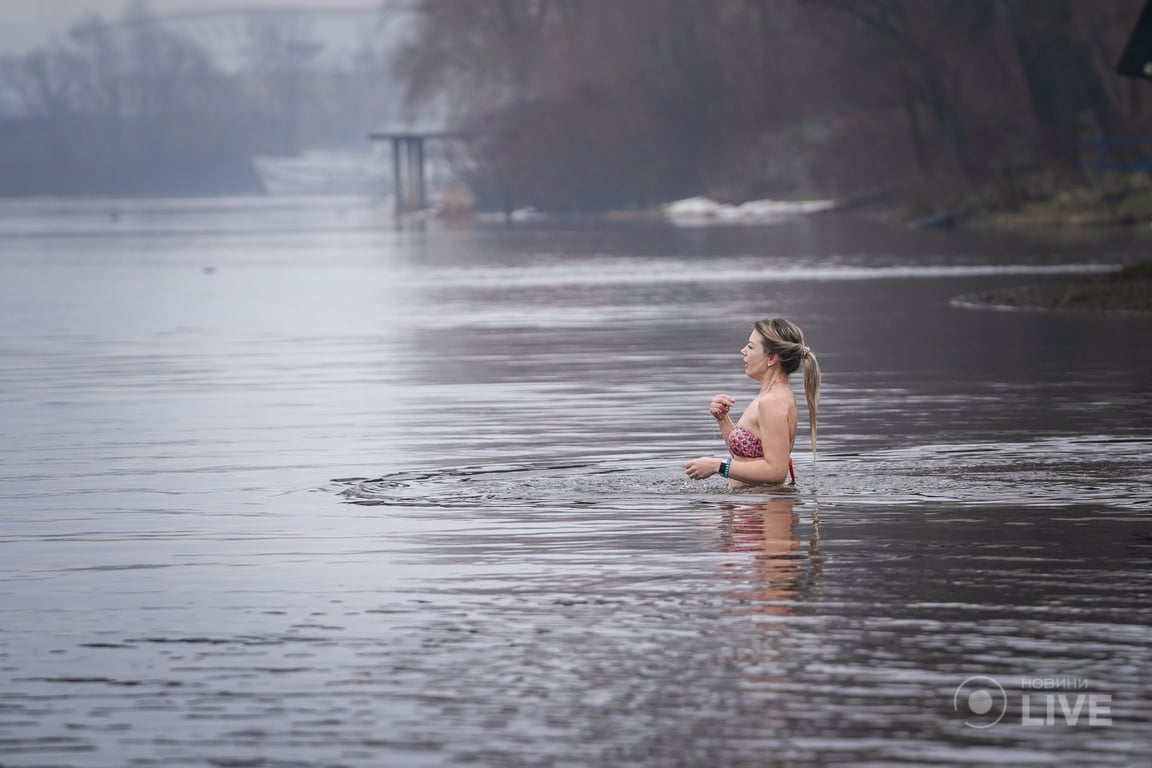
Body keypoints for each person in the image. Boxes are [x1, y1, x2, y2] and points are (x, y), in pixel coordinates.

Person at [684, 318, 821, 487]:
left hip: (763, 509)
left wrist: (717, 466)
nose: (743, 351)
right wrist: (723, 419)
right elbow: (749, 457)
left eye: (750, 346)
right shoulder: (772, 396)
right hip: (753, 507)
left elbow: (776, 471)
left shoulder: (772, 402)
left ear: (771, 358)